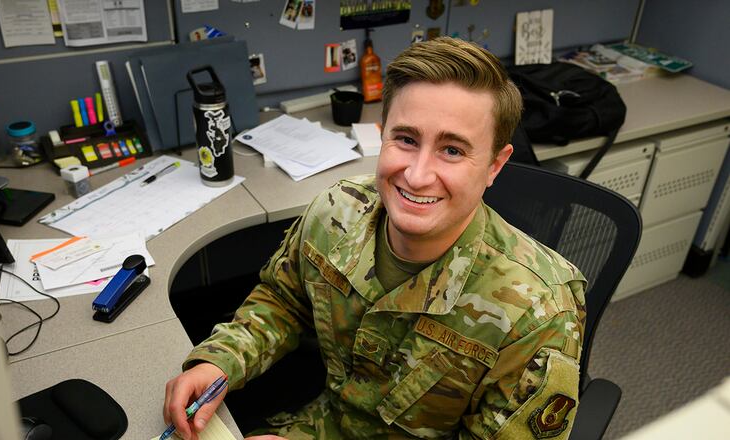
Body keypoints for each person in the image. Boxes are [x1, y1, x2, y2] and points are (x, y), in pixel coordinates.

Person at [163, 37, 586, 440]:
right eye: (406, 139)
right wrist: (219, 361)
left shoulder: (539, 312)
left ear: (495, 165)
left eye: (452, 150)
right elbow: (284, 300)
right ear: (382, 135)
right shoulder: (337, 210)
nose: (417, 175)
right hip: (323, 423)